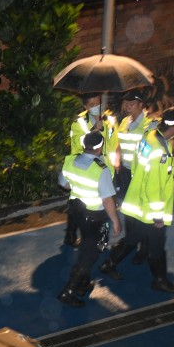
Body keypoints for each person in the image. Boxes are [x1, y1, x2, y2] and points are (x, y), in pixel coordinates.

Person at [100, 108, 174, 294]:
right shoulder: (160, 151)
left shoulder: (149, 136)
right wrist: (157, 216)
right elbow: (154, 186)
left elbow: (139, 168)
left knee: (133, 238)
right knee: (157, 246)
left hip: (137, 201)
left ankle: (109, 263)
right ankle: (159, 281)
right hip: (149, 210)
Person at [57, 131, 123, 308]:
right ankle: (69, 291)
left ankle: (83, 283)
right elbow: (107, 199)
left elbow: (63, 183)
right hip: (95, 217)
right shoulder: (101, 168)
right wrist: (115, 220)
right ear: (100, 147)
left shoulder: (70, 160)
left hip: (77, 211)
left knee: (87, 243)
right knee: (90, 253)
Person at [64, 93, 121, 247]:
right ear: (85, 107)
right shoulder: (79, 123)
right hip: (86, 170)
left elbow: (115, 141)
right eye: (92, 105)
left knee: (106, 205)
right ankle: (71, 233)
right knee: (78, 204)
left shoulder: (110, 120)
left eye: (98, 103)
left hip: (105, 170)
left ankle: (101, 239)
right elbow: (77, 146)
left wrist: (116, 160)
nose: (96, 107)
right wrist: (93, 131)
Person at [116, 90, 155, 263]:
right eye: (126, 104)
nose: (128, 107)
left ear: (141, 104)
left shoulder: (150, 124)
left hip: (140, 174)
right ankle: (131, 241)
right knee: (128, 211)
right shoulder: (124, 122)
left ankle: (145, 248)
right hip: (124, 173)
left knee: (142, 213)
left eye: (132, 104)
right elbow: (118, 143)